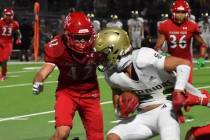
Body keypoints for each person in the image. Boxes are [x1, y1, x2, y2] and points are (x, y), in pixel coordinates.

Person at [94, 27, 208, 140]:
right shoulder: (112, 75)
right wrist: (121, 111)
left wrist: (178, 91)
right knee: (113, 136)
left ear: (115, 50)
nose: (100, 59)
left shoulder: (143, 58)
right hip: (143, 116)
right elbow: (118, 104)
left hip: (166, 110)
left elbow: (184, 64)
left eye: (103, 54)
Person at [32, 12, 103, 140]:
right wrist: (38, 80)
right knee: (62, 133)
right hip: (67, 93)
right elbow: (44, 71)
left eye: (86, 37)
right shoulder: (58, 46)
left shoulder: (99, 44)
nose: (82, 42)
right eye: (77, 37)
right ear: (67, 34)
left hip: (91, 94)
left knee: (97, 137)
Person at [154, 0, 208, 83]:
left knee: (186, 88)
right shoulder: (165, 25)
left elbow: (203, 44)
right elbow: (157, 47)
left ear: (187, 13)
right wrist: (162, 55)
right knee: (171, 89)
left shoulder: (192, 25)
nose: (180, 14)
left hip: (186, 61)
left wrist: (201, 57)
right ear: (173, 12)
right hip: (171, 61)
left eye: (183, 12)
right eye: (178, 12)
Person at [0, 8, 21, 80]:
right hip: (0, 42)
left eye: (10, 15)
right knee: (1, 60)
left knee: (4, 59)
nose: (8, 17)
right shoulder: (0, 22)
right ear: (4, 14)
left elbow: (18, 32)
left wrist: (18, 38)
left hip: (8, 43)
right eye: (7, 15)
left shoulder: (15, 23)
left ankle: (3, 74)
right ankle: (3, 70)